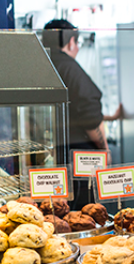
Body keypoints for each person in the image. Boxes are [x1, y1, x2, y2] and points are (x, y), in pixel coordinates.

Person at [42, 19, 122, 207]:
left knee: (55, 212)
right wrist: (104, 149)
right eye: (76, 43)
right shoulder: (71, 68)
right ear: (71, 43)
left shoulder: (40, 68)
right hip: (78, 160)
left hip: (52, 158)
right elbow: (89, 116)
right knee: (82, 211)